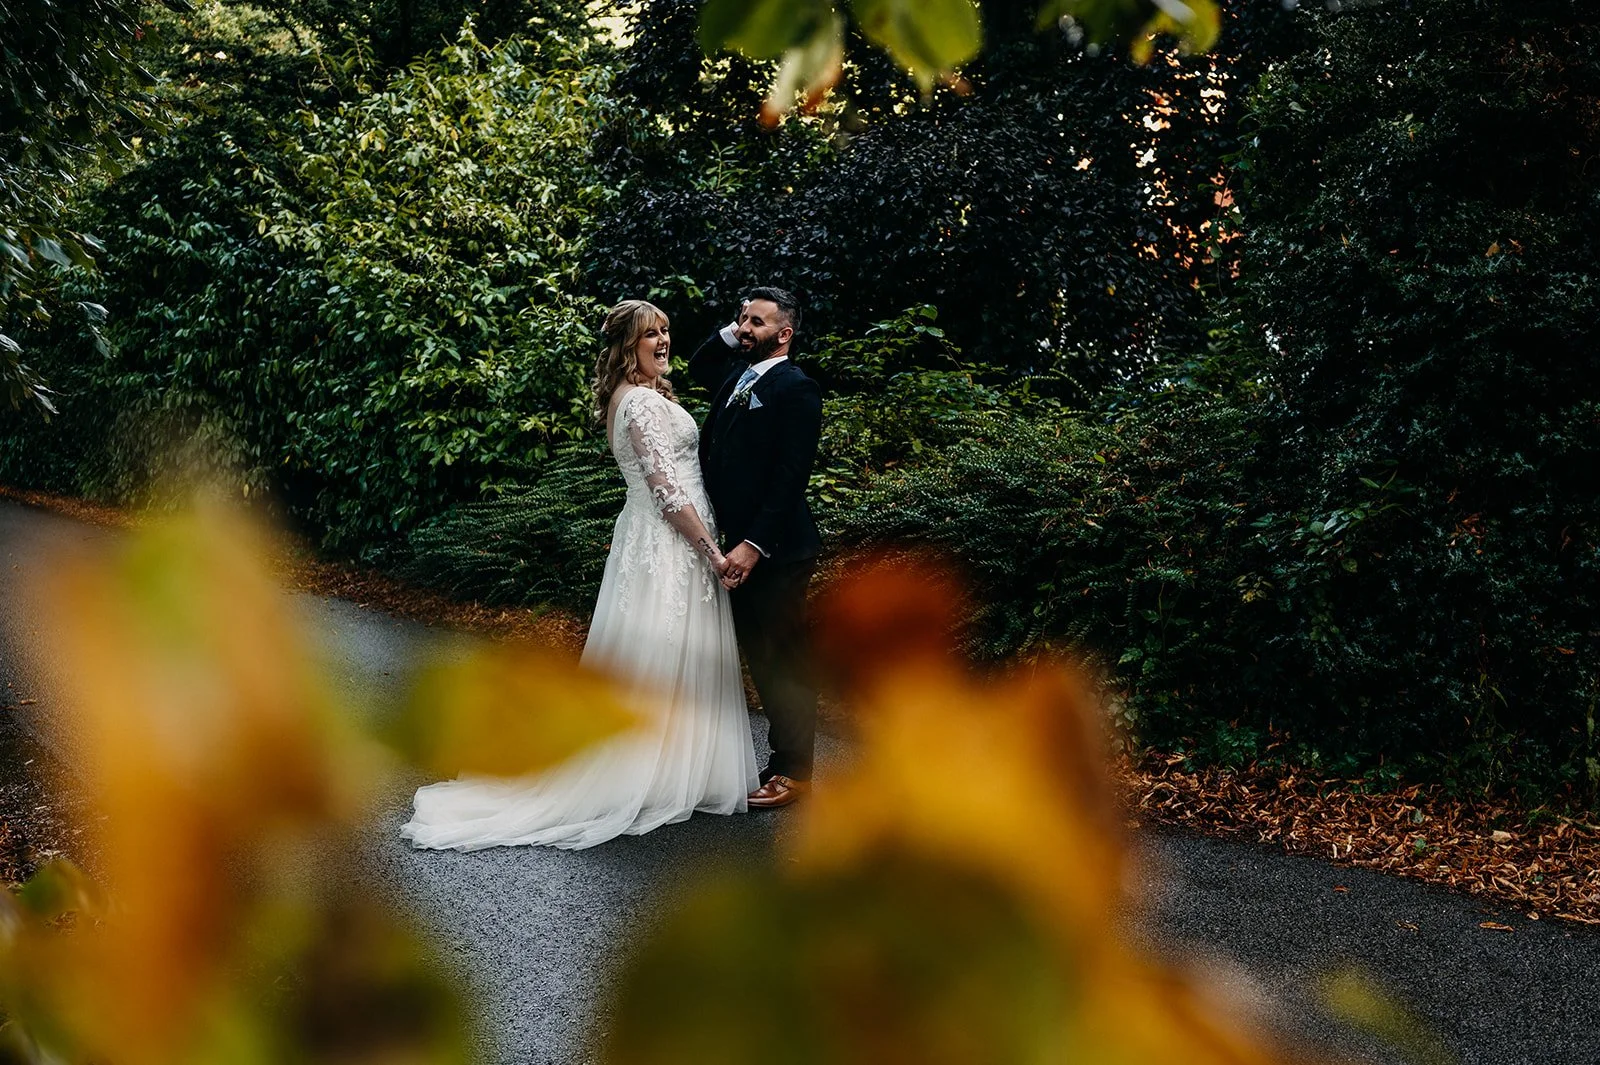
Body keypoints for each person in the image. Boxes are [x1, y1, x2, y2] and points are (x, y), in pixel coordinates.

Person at [400, 300, 758, 851]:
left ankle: (676, 769)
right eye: (649, 335)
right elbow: (666, 490)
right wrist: (713, 553)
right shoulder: (638, 401)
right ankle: (643, 774)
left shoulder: (641, 395)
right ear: (626, 347)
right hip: (668, 545)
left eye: (665, 332)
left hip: (659, 540)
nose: (662, 342)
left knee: (671, 653)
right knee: (659, 654)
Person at [689, 287, 823, 809]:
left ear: (784, 334)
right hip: (735, 549)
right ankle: (781, 760)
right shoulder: (735, 377)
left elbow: (791, 479)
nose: (744, 329)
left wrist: (751, 545)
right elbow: (698, 362)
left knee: (785, 661)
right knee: (762, 661)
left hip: (777, 551)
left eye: (758, 323)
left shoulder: (797, 387)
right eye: (742, 320)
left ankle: (797, 772)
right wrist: (738, 325)